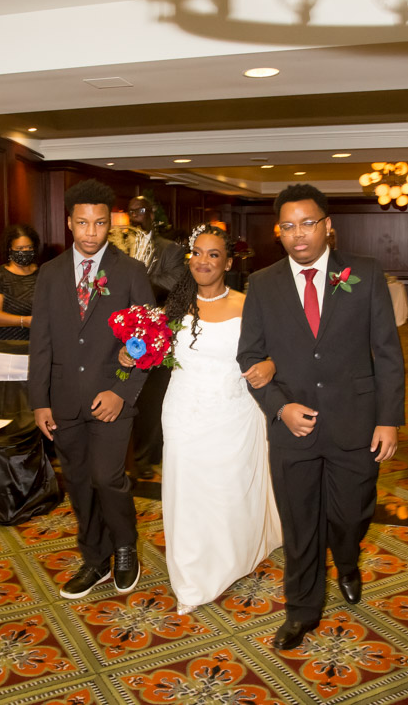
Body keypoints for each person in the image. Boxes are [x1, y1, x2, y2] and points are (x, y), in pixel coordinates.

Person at [237, 184, 404, 652]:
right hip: (293, 427)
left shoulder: (364, 274)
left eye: (308, 223)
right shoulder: (263, 283)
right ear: (278, 234)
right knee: (299, 523)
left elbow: (388, 353)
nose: (299, 235)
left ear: (329, 226)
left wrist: (388, 419)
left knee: (351, 515)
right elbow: (249, 355)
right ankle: (302, 609)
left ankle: (347, 559)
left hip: (355, 421)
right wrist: (278, 406)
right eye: (288, 227)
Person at [29, 179, 154, 599]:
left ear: (108, 225)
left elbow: (149, 342)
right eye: (82, 223)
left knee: (108, 477)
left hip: (112, 399)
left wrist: (122, 391)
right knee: (79, 480)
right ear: (69, 223)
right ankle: (94, 557)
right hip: (63, 399)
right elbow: (40, 341)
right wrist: (39, 402)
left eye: (99, 223)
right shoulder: (49, 273)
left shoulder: (131, 272)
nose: (90, 232)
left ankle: (123, 548)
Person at [147, 224, 281, 615]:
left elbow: (279, 348)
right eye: (198, 253)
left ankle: (233, 555)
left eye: (214, 254)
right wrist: (129, 354)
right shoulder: (172, 307)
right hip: (184, 410)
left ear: (227, 262)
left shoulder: (248, 303)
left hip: (235, 411)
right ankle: (192, 574)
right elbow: (148, 356)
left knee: (229, 489)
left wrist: (271, 364)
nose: (203, 261)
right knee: (188, 491)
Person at [125, 195, 188, 480]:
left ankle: (145, 457)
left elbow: (172, 282)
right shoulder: (114, 247)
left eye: (140, 211)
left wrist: (133, 278)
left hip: (157, 332)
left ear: (152, 215)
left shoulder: (169, 249)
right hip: (118, 333)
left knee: (151, 399)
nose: (135, 216)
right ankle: (125, 456)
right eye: (130, 211)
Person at [0, 223, 39, 342]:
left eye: (29, 248)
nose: (25, 252)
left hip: (38, 344)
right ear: (10, 249)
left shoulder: (43, 273)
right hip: (7, 347)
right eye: (20, 249)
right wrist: (23, 321)